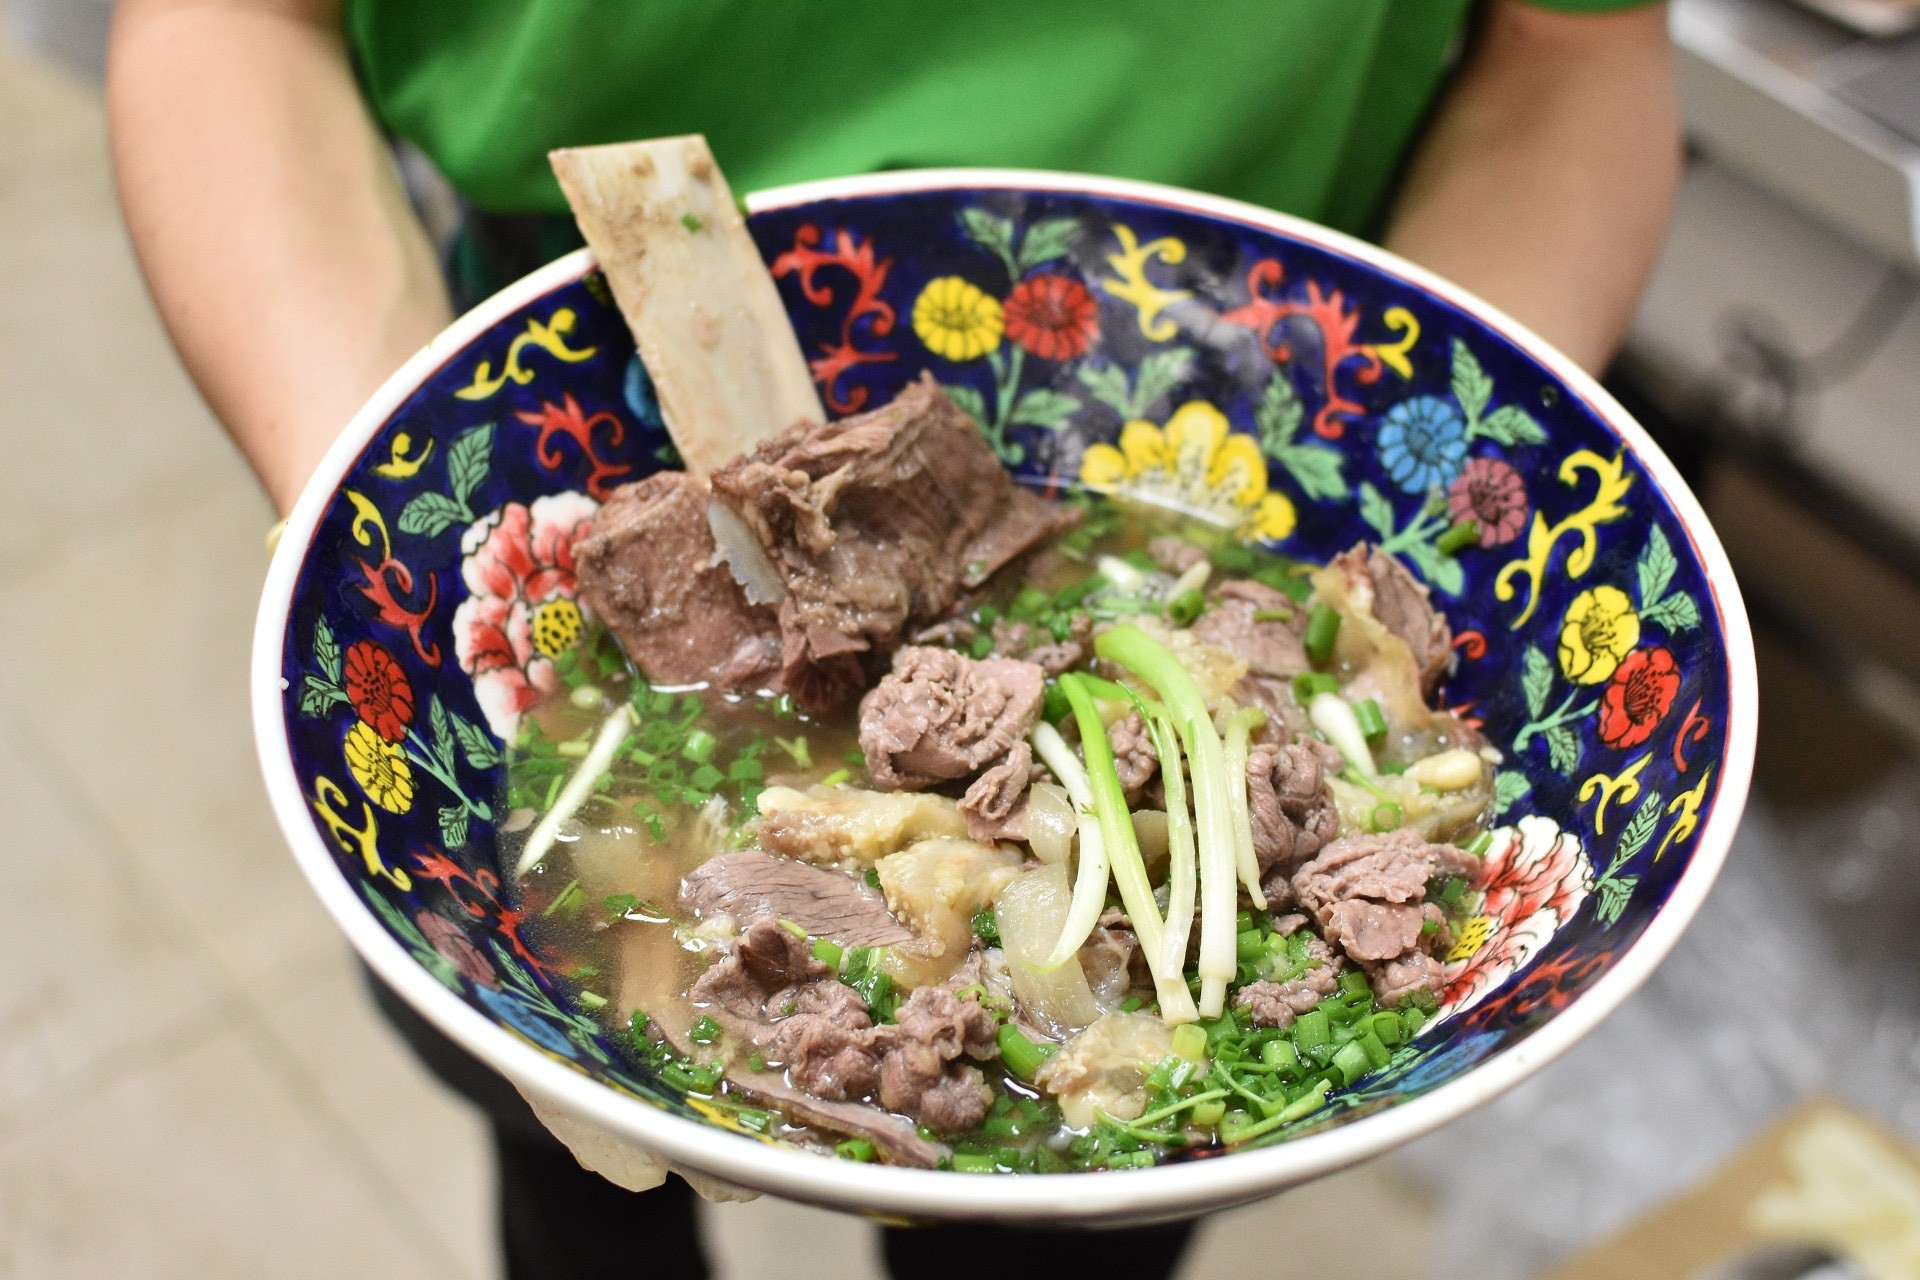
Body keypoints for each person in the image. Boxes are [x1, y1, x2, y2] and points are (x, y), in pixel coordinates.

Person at [105, 3, 1681, 1277]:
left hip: (1220, 384)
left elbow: (1577, 43)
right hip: (566, 400)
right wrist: (402, 526)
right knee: (576, 1194)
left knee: (1054, 1260)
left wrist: (1408, 489)